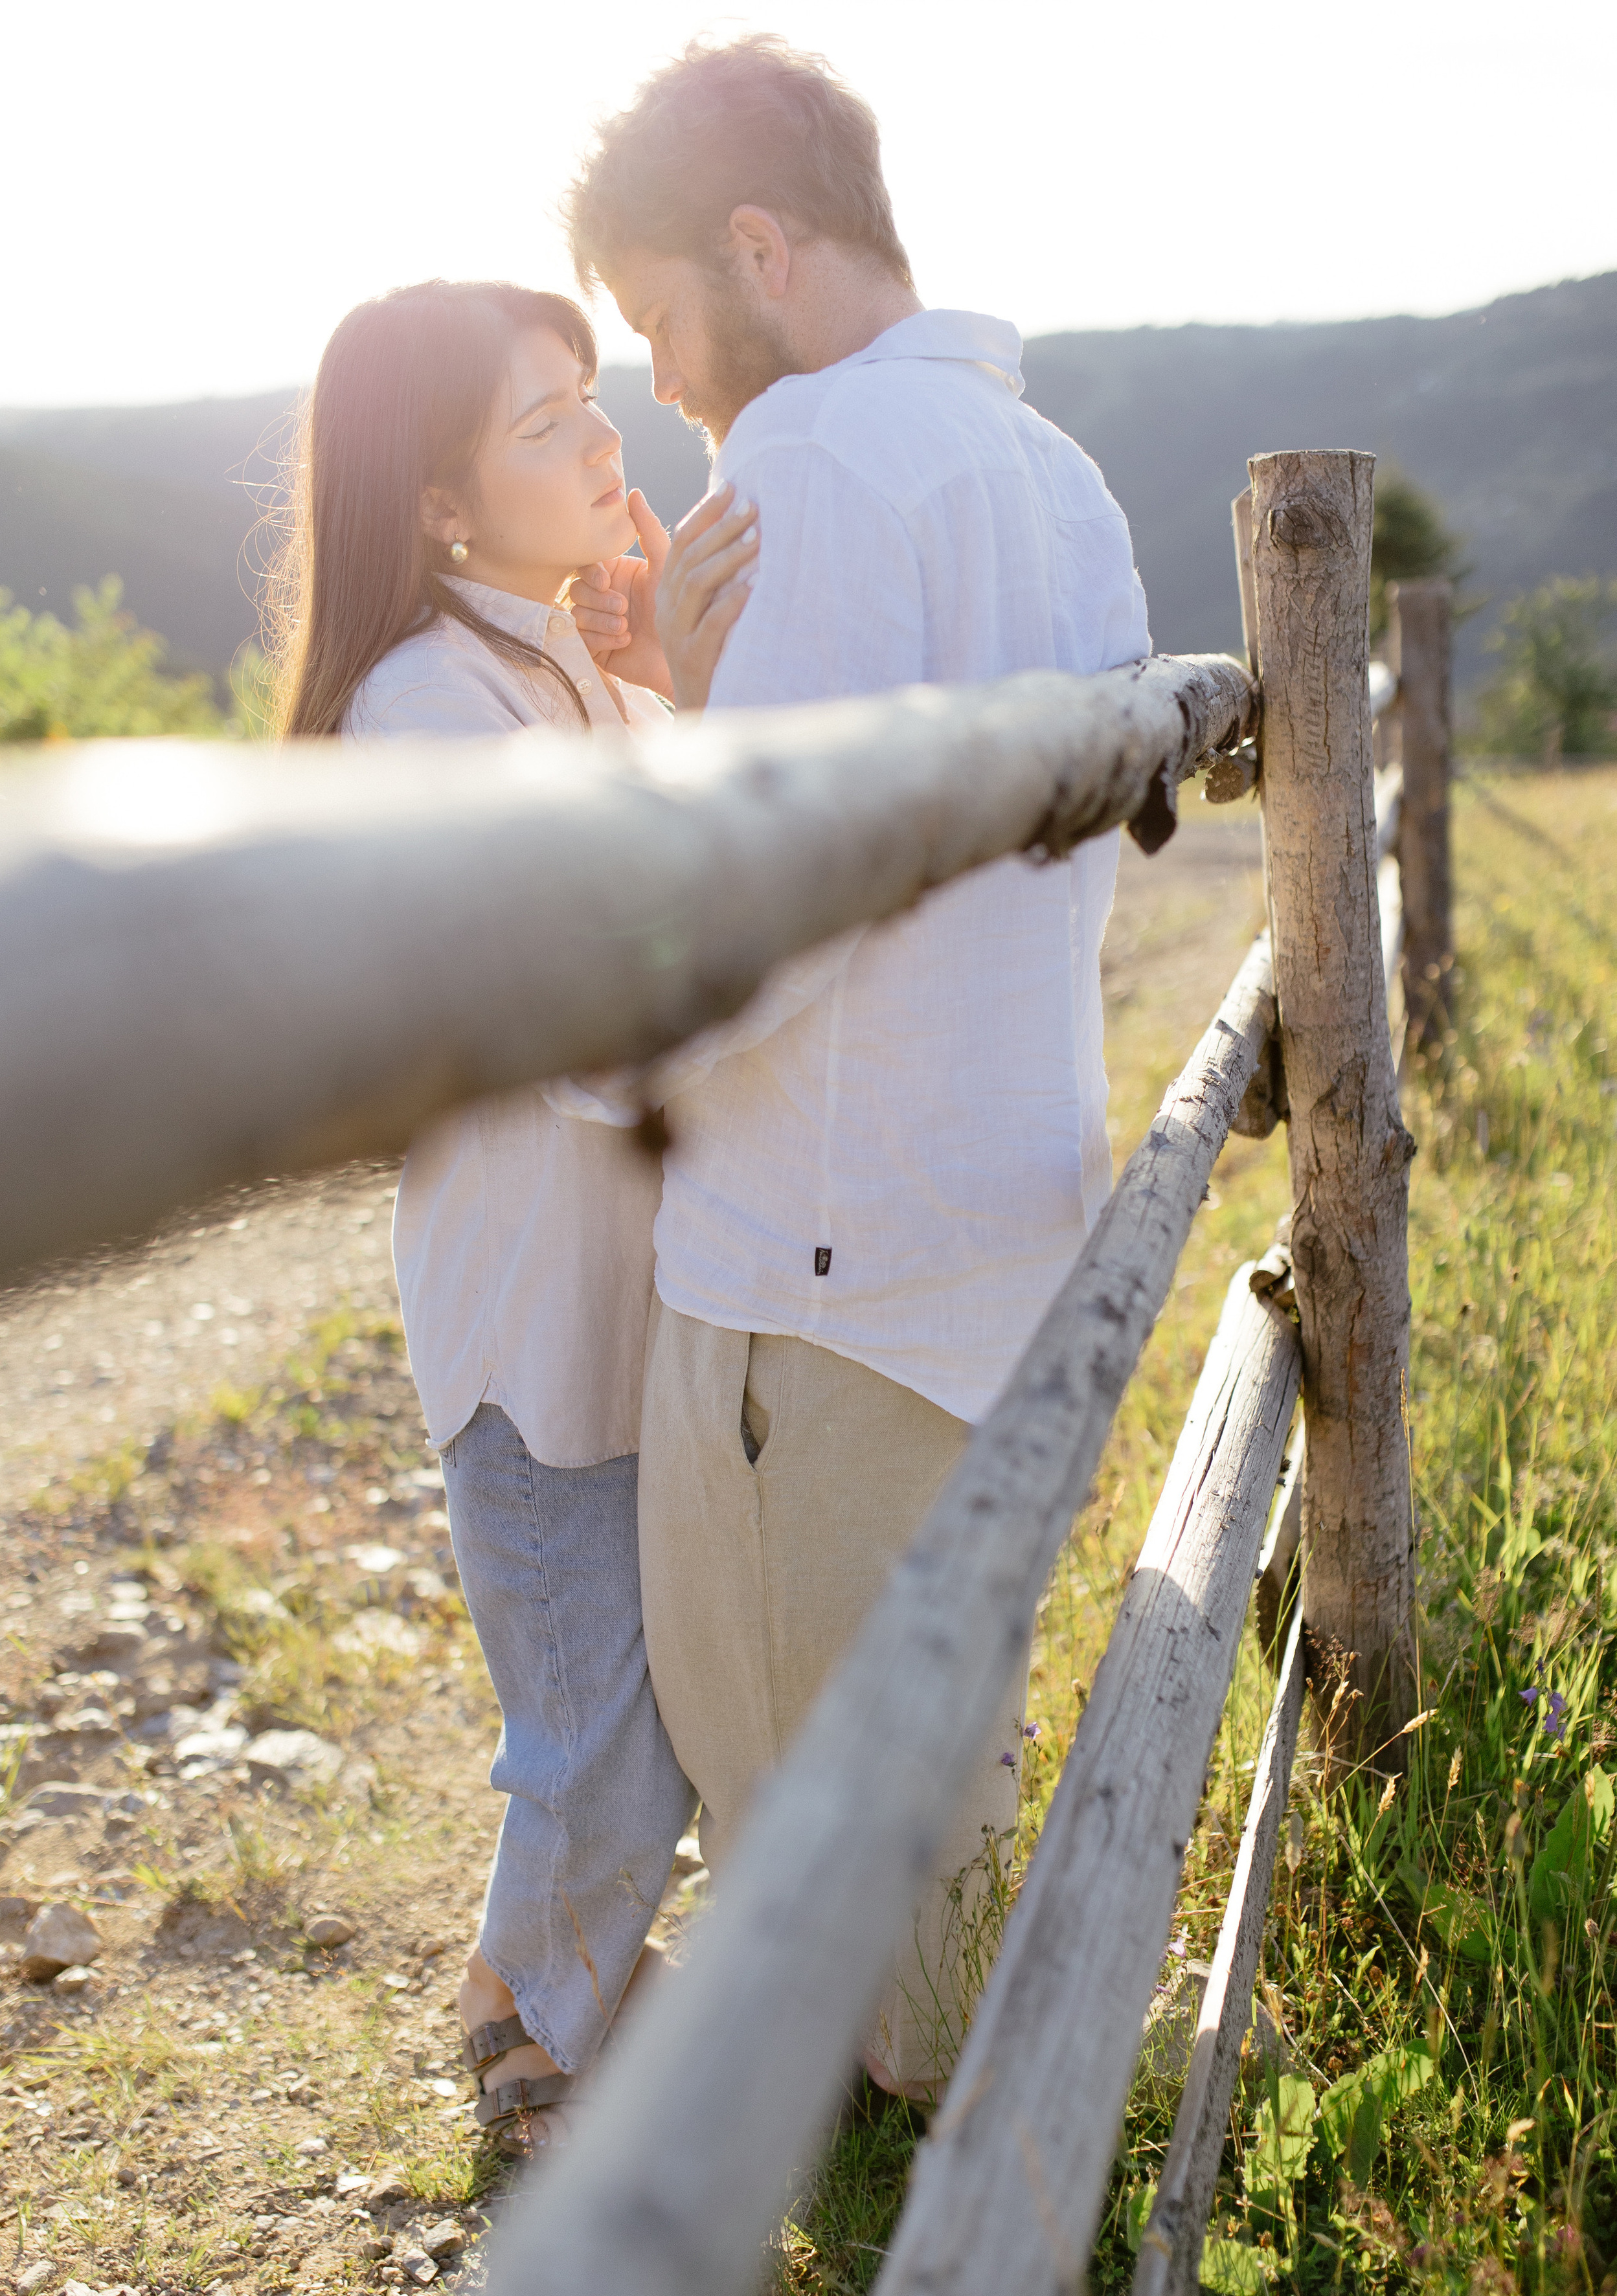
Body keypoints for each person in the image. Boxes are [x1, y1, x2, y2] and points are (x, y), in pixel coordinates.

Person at [563, 36, 1151, 2102]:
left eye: (654, 319)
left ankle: (941, 2179)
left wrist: (591, 1002)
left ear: (756, 244)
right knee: (934, 1776)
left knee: (836, 1880)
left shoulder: (804, 463)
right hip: (983, 1221)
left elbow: (755, 937)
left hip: (810, 1262)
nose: (660, 379)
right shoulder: (1053, 470)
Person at [265, 278, 752, 2144]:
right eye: (547, 422)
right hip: (533, 1318)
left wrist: (658, 683)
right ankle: (526, 2048)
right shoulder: (426, 707)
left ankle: (548, 1998)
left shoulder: (552, 659)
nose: (609, 444)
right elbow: (613, 1016)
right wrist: (685, 713)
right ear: (440, 505)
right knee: (592, 1733)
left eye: (594, 402)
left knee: (644, 1710)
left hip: (629, 1292)